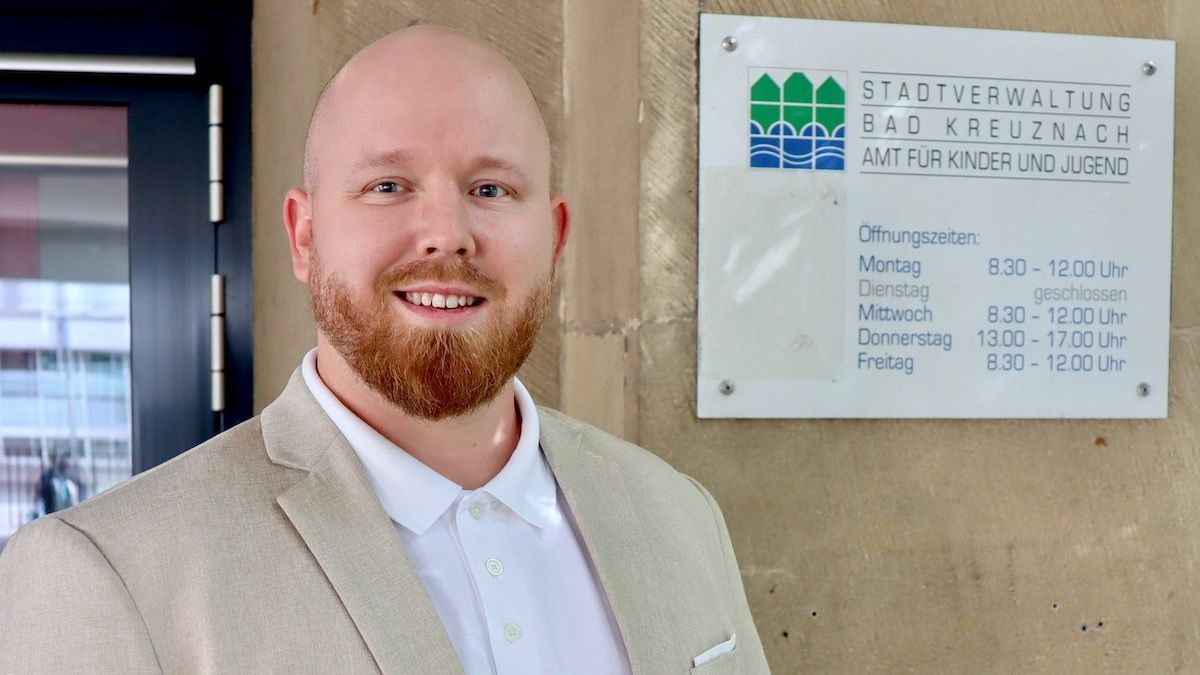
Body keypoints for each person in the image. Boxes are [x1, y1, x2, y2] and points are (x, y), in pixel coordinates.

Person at [0, 26, 768, 673]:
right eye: (389, 186)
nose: (446, 234)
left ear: (555, 237)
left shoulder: (678, 512)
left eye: (491, 189)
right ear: (305, 236)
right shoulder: (107, 574)